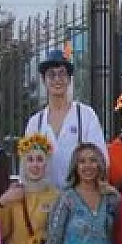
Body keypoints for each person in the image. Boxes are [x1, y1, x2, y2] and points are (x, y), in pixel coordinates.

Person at [23, 49, 104, 188]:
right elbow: (26, 165)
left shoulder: (85, 115)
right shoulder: (35, 122)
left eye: (62, 74)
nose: (57, 79)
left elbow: (101, 160)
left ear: (69, 79)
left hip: (79, 198)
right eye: (51, 75)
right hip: (44, 201)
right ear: (44, 80)